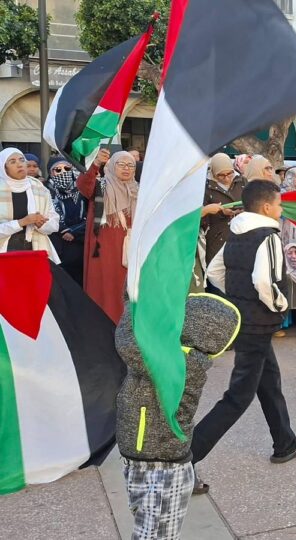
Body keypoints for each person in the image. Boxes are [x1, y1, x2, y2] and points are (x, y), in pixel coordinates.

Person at [193, 180, 296, 491]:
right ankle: (186, 458)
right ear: (267, 207)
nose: (282, 209)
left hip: (243, 320)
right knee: (238, 396)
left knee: (269, 381)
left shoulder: (236, 232)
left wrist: (237, 298)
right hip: (258, 322)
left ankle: (284, 442)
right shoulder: (268, 235)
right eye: (280, 204)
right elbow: (264, 281)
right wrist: (281, 305)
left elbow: (215, 271)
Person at [115, 293, 239, 540]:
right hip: (144, 460)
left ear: (195, 328)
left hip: (162, 468)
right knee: (147, 530)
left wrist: (136, 301)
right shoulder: (172, 354)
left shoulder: (180, 364)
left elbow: (128, 342)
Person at [77, 149, 136, 323]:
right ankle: (105, 325)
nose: (126, 168)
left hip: (132, 247)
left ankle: (128, 328)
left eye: (130, 165)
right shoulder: (100, 185)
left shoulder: (139, 189)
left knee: (130, 288)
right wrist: (96, 164)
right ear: (111, 166)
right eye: (121, 164)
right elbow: (83, 185)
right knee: (107, 287)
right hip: (106, 248)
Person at [0, 148, 60, 261]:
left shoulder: (40, 188)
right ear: (4, 168)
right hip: (4, 252)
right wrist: (21, 222)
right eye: (12, 162)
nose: (19, 165)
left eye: (22, 160)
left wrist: (41, 224)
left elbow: (54, 224)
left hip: (35, 250)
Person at [47, 157, 86, 284]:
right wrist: (63, 230)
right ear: (50, 173)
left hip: (80, 242)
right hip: (58, 244)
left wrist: (73, 232)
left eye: (67, 168)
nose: (63, 172)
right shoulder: (45, 191)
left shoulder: (83, 190)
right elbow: (47, 214)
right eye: (57, 170)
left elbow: (90, 215)